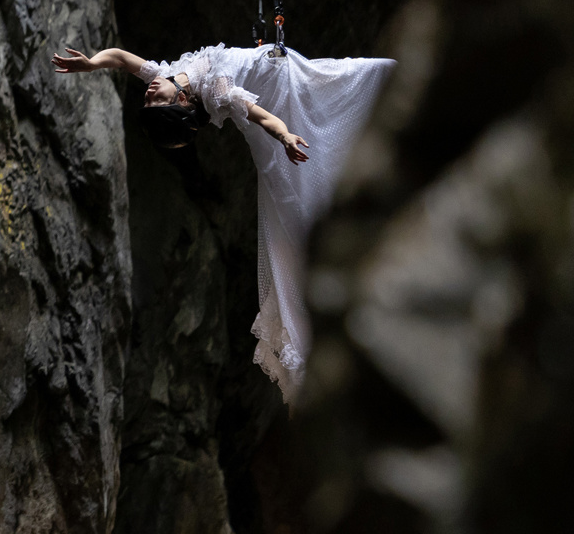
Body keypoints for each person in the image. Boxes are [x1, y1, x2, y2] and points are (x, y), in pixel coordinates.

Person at [53, 44, 395, 404]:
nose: (150, 96)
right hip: (281, 86)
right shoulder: (217, 91)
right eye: (157, 103)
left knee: (357, 74)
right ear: (183, 102)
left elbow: (122, 59)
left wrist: (92, 64)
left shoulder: (163, 76)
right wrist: (285, 137)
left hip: (276, 68)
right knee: (358, 79)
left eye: (150, 103)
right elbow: (261, 116)